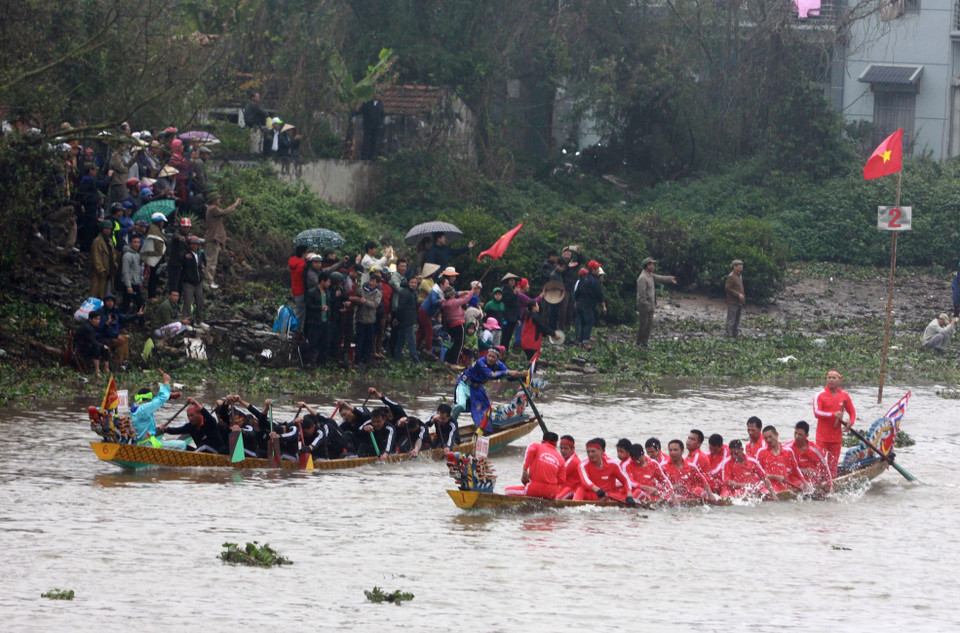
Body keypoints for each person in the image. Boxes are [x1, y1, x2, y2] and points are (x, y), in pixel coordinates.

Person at [452, 346, 523, 428]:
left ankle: (481, 430)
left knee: (485, 411)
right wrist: (508, 372)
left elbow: (509, 376)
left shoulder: (499, 365)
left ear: (497, 358)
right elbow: (491, 375)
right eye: (489, 356)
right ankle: (451, 424)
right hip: (464, 384)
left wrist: (521, 374)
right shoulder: (480, 362)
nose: (490, 358)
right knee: (460, 405)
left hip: (477, 388)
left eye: (493, 357)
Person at [812, 369, 855, 477]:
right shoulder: (820, 395)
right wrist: (833, 414)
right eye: (829, 378)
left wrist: (851, 422)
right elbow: (817, 413)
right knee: (819, 464)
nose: (831, 380)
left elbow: (852, 411)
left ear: (839, 380)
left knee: (832, 466)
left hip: (836, 438)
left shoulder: (844, 395)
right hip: (822, 437)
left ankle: (832, 483)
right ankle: (819, 483)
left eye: (833, 378)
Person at [130, 369, 186, 449]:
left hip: (140, 442)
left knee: (160, 433)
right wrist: (166, 382)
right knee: (182, 444)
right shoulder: (145, 408)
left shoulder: (135, 406)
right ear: (149, 400)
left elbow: (154, 403)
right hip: (147, 445)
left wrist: (169, 396)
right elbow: (161, 398)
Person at [573, 438, 637, 505]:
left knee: (629, 496)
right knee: (580, 490)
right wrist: (598, 490)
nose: (590, 454)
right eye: (588, 452)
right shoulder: (583, 465)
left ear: (602, 451)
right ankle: (574, 505)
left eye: (593, 451)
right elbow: (585, 481)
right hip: (591, 495)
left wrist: (629, 495)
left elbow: (625, 480)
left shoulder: (612, 464)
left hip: (608, 495)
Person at [504, 432, 566, 499]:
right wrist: (549, 483)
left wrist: (525, 470)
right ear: (556, 444)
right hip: (551, 493)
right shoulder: (561, 458)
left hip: (535, 489)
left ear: (543, 441)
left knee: (507, 491)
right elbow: (562, 480)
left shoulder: (536, 446)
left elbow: (530, 450)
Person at [158, 397, 226, 454]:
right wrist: (165, 429)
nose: (190, 418)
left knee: (204, 446)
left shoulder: (210, 422)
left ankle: (193, 455)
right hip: (200, 451)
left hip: (217, 452)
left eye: (192, 415)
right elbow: (176, 430)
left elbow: (206, 413)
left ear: (199, 414)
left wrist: (195, 402)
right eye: (188, 416)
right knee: (183, 447)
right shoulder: (190, 426)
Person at [635, 257, 677, 348]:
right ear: (647, 266)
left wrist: (670, 278)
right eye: (652, 264)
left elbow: (659, 277)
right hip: (644, 305)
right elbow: (641, 294)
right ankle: (638, 343)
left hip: (651, 304)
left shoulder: (650, 275)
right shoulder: (642, 277)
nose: (653, 266)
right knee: (643, 324)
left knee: (649, 324)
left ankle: (645, 343)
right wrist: (645, 303)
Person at [203, 191, 241, 289]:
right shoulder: (213, 209)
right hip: (212, 238)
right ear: (214, 200)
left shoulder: (211, 209)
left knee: (212, 260)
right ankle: (209, 281)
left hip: (213, 238)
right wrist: (235, 204)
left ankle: (210, 281)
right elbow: (225, 212)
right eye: (218, 199)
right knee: (211, 261)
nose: (219, 200)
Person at [784, 421, 832, 494]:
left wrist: (830, 484)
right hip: (794, 478)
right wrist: (801, 470)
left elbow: (825, 466)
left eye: (800, 434)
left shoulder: (815, 449)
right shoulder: (787, 448)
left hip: (812, 478)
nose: (796, 436)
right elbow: (781, 466)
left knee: (810, 488)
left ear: (807, 435)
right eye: (795, 433)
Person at [755, 425, 806, 493]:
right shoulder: (761, 452)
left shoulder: (788, 451)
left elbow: (796, 469)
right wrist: (775, 477)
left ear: (776, 435)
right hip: (768, 487)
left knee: (804, 487)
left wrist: (805, 483)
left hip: (785, 485)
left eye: (770, 437)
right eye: (766, 438)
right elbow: (757, 474)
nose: (768, 440)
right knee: (765, 492)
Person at [440, 280, 477, 369]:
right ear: (451, 295)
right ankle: (454, 363)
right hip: (459, 324)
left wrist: (465, 293)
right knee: (459, 344)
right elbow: (466, 299)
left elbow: (460, 298)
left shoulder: (445, 303)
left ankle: (447, 360)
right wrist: (472, 290)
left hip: (452, 325)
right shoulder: (453, 302)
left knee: (455, 344)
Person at [351, 271, 382, 365]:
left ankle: (366, 359)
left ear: (377, 283)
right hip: (361, 319)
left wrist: (365, 302)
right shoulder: (362, 289)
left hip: (370, 320)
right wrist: (358, 301)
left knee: (368, 341)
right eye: (371, 281)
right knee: (359, 340)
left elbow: (375, 304)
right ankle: (357, 359)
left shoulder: (378, 293)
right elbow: (356, 298)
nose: (372, 283)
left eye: (374, 281)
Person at [303, 271, 332, 368]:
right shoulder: (312, 292)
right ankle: (309, 362)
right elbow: (309, 306)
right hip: (315, 321)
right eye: (327, 282)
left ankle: (322, 361)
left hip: (325, 321)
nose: (329, 284)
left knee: (325, 342)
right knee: (313, 342)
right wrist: (320, 308)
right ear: (322, 281)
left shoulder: (327, 292)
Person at [573, 260, 605, 349]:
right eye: (597, 268)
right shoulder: (595, 281)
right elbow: (599, 293)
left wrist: (576, 301)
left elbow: (577, 291)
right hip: (587, 305)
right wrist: (603, 304)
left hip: (580, 303)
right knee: (589, 321)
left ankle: (581, 340)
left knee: (583, 322)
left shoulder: (584, 278)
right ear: (593, 270)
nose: (598, 270)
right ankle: (586, 342)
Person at [181, 236, 207, 328]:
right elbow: (181, 260)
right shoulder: (186, 254)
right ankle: (185, 321)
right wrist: (185, 256)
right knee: (188, 303)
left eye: (196, 244)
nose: (194, 246)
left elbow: (200, 267)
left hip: (198, 282)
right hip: (188, 282)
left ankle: (198, 321)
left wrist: (202, 277)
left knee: (200, 302)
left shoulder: (199, 255)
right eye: (192, 244)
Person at [90, 220, 118, 299]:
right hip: (100, 273)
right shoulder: (97, 241)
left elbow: (113, 254)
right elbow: (96, 257)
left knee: (107, 294)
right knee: (97, 293)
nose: (107, 230)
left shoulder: (110, 241)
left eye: (109, 229)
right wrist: (101, 269)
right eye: (105, 228)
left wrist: (115, 264)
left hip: (109, 272)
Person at [119, 235, 145, 316]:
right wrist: (128, 285)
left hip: (135, 282)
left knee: (130, 304)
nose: (137, 244)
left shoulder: (136, 255)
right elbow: (125, 271)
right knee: (135, 303)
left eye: (138, 242)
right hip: (130, 284)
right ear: (130, 243)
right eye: (135, 242)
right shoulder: (127, 255)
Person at [357, 91, 385, 160]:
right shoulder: (368, 104)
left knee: (374, 140)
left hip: (376, 126)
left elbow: (382, 115)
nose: (377, 96)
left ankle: (372, 155)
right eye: (376, 94)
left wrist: (380, 123)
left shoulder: (381, 105)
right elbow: (361, 111)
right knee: (366, 140)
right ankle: (364, 155)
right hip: (368, 125)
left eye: (379, 94)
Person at [498, 274, 522, 355]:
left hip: (513, 317)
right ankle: (502, 352)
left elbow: (517, 305)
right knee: (505, 336)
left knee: (509, 336)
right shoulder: (505, 290)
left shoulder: (513, 290)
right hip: (507, 317)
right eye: (510, 280)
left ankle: (505, 352)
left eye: (513, 280)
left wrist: (518, 318)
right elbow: (508, 301)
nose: (512, 281)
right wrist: (515, 294)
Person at [167, 217, 191, 293]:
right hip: (175, 264)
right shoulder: (177, 234)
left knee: (180, 286)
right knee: (174, 286)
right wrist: (180, 238)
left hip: (182, 265)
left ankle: (177, 301)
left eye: (188, 227)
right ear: (181, 227)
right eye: (184, 227)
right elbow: (176, 236)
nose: (186, 229)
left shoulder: (187, 236)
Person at [556, 435, 582, 499]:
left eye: (566, 448)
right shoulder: (565, 459)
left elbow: (556, 476)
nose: (562, 451)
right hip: (562, 488)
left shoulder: (573, 461)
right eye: (561, 448)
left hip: (571, 490)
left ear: (573, 449)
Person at [289, 245, 309, 326]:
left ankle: (295, 330)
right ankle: (296, 331)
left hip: (295, 290)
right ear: (303, 253)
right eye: (307, 252)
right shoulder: (302, 265)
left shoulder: (293, 262)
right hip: (301, 290)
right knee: (300, 312)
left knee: (298, 310)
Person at [725, 259, 745, 337]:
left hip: (739, 302)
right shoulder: (731, 276)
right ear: (735, 267)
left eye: (741, 265)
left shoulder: (739, 276)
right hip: (732, 301)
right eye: (739, 265)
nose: (741, 267)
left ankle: (735, 335)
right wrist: (738, 295)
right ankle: (729, 335)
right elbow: (727, 288)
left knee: (737, 320)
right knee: (731, 320)